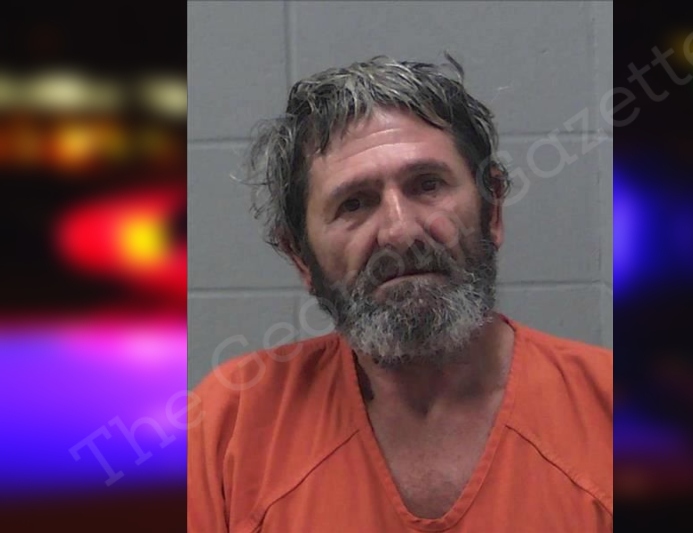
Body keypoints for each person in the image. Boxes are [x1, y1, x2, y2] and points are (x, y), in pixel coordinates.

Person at [188, 55, 612, 532]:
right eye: (354, 203)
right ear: (301, 257)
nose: (401, 231)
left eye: (428, 185)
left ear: (491, 210)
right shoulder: (230, 427)